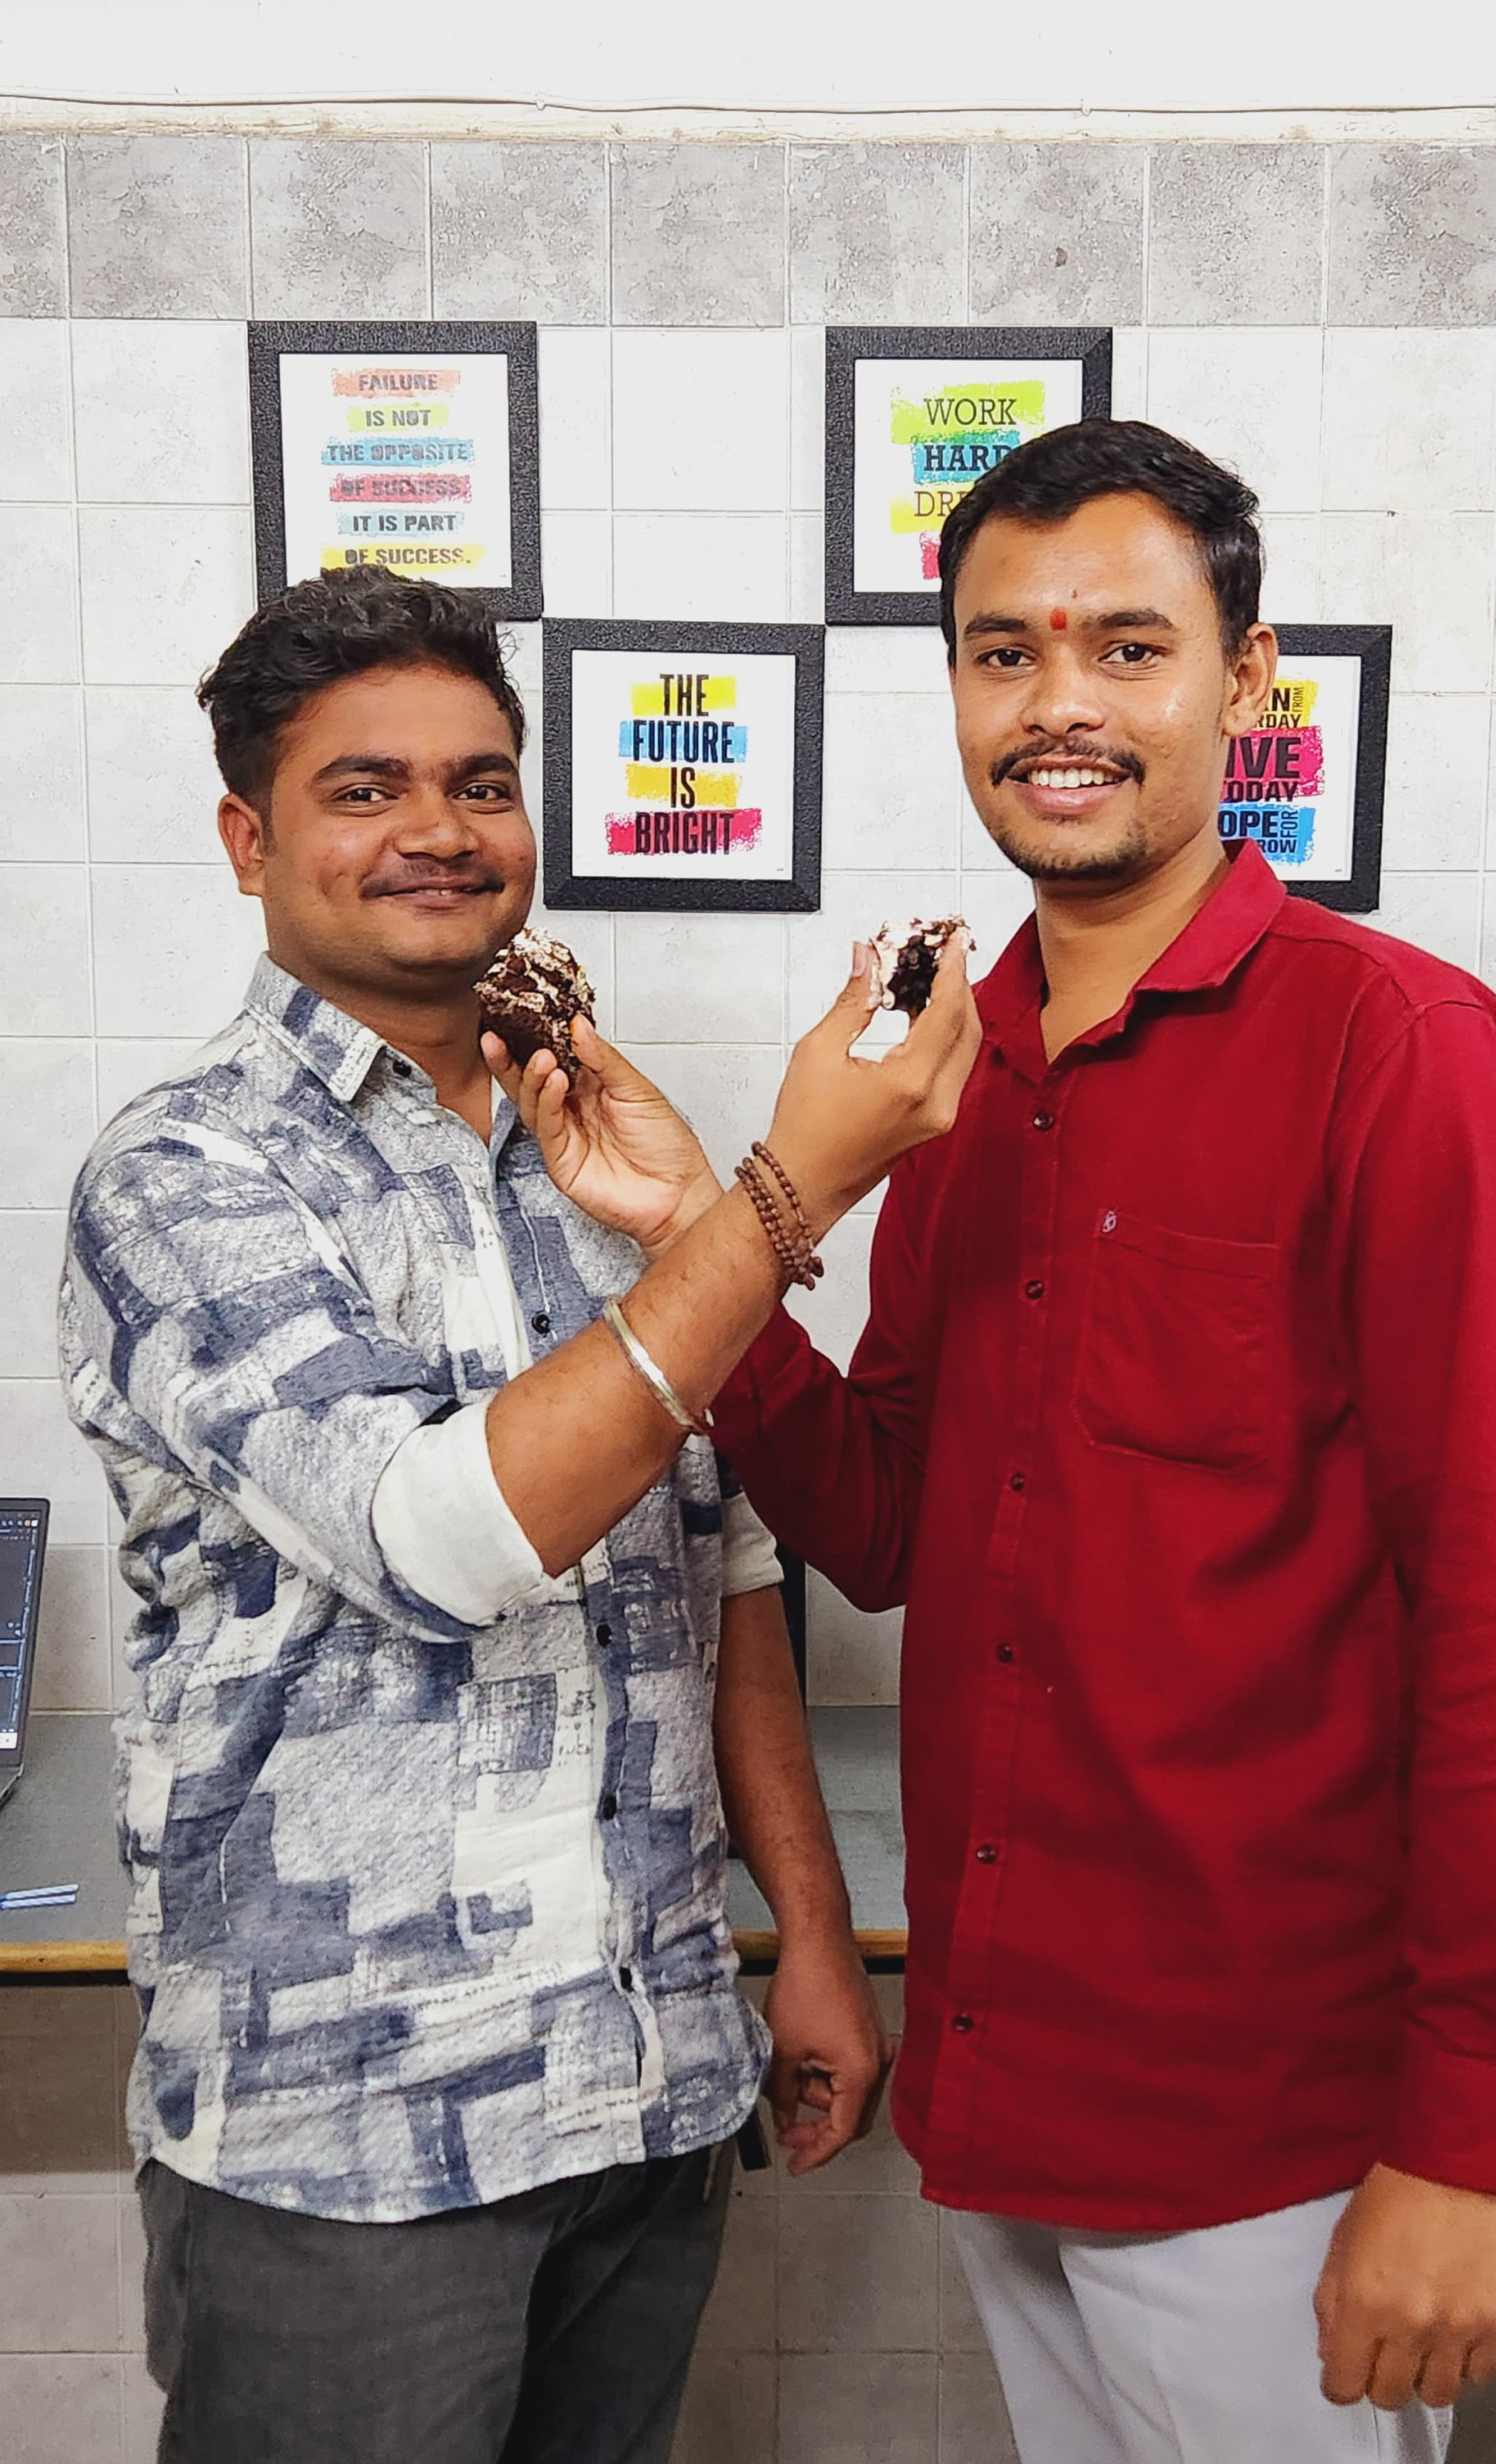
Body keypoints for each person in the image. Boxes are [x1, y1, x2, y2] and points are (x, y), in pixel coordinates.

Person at [558, 421, 1496, 2463]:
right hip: (1008, 2069)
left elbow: (1495, 1623)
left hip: (1273, 2120)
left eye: (1127, 646)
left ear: (1245, 680)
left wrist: (1460, 2146)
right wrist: (711, 1231)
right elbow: (873, 1524)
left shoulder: (1399, 1051)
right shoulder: (958, 1065)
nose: (1059, 707)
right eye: (1002, 652)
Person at [58, 566, 979, 2464]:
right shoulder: (183, 1173)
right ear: (249, 840)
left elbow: (719, 1572)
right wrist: (785, 1196)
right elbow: (438, 1539)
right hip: (351, 2140)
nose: (436, 830)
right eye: (364, 786)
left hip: (642, 2092)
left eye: (480, 782)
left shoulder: (597, 1155)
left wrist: (804, 1931)